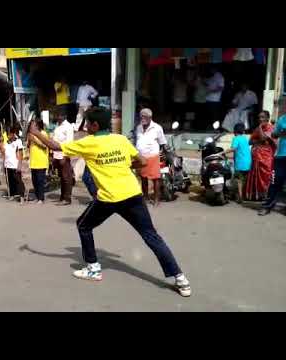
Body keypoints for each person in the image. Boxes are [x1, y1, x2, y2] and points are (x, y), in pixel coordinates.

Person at [29, 107, 191, 297]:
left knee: (83, 225)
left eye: (87, 123)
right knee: (151, 236)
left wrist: (34, 132)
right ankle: (180, 279)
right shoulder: (121, 139)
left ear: (95, 125)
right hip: (133, 195)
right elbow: (142, 161)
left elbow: (56, 147)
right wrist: (127, 165)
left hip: (109, 198)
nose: (85, 126)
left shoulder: (88, 143)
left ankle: (93, 268)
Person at [135, 108, 167, 207]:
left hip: (153, 156)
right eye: (141, 116)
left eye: (145, 117)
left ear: (150, 117)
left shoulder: (157, 128)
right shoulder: (139, 128)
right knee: (143, 178)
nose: (142, 118)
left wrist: (163, 154)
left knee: (155, 179)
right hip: (141, 157)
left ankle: (156, 199)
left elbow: (162, 143)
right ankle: (145, 197)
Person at [258, 111, 286, 216]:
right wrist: (281, 133)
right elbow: (274, 134)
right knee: (274, 183)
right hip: (280, 156)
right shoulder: (282, 119)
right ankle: (266, 207)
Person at [245, 111, 276, 201]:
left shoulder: (271, 128)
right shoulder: (257, 129)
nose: (260, 119)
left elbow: (263, 138)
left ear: (267, 118)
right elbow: (250, 142)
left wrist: (259, 129)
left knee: (266, 176)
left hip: (267, 157)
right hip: (257, 157)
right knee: (256, 176)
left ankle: (266, 196)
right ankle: (256, 196)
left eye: (262, 117)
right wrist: (258, 141)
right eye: (259, 117)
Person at [220, 123, 252, 204]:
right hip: (248, 162)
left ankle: (240, 197)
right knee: (244, 180)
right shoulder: (244, 138)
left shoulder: (236, 138)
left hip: (240, 163)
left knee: (239, 180)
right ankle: (244, 196)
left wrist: (222, 152)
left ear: (235, 131)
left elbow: (233, 148)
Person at [52, 108, 75, 205]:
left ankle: (67, 198)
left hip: (64, 155)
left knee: (66, 177)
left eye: (59, 115)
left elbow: (69, 143)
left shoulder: (68, 127)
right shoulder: (58, 126)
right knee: (61, 177)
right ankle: (62, 197)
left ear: (64, 116)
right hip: (57, 155)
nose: (57, 117)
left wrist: (65, 156)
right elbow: (54, 141)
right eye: (57, 115)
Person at [27, 117, 49, 204]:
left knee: (40, 180)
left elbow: (45, 146)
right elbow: (29, 146)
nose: (32, 126)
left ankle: (41, 198)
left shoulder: (43, 133)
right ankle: (37, 196)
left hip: (41, 161)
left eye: (34, 124)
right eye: (31, 125)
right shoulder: (31, 134)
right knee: (34, 180)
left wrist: (35, 140)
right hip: (33, 161)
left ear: (38, 125)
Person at [4, 125, 26, 204]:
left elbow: (20, 153)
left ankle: (22, 196)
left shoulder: (18, 141)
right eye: (7, 134)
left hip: (15, 164)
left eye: (10, 134)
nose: (8, 136)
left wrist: (19, 164)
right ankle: (12, 194)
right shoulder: (6, 142)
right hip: (7, 164)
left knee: (18, 180)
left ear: (13, 134)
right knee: (10, 181)